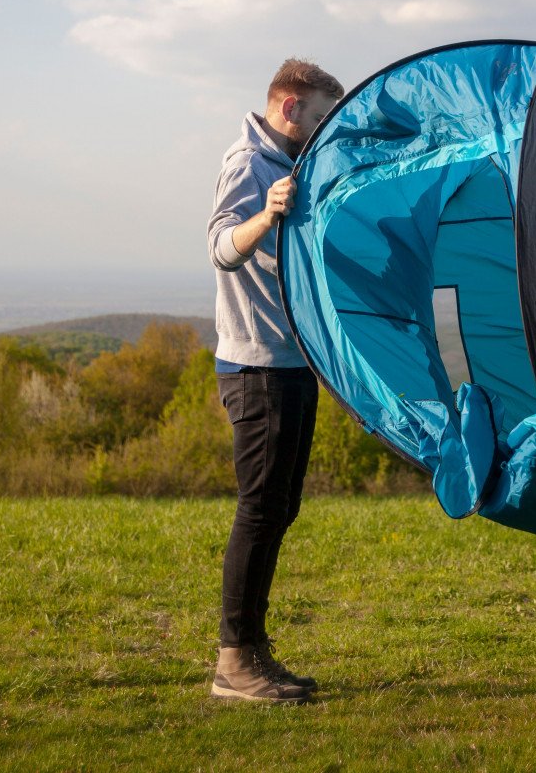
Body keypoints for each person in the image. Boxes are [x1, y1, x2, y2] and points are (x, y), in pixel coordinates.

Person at [205, 58, 343, 703]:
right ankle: (234, 664)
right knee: (259, 511)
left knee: (280, 508)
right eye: (317, 117)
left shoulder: (291, 164)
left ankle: (254, 653)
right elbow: (222, 250)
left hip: (290, 361)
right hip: (256, 366)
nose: (320, 131)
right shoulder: (248, 164)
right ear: (289, 106)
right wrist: (266, 213)